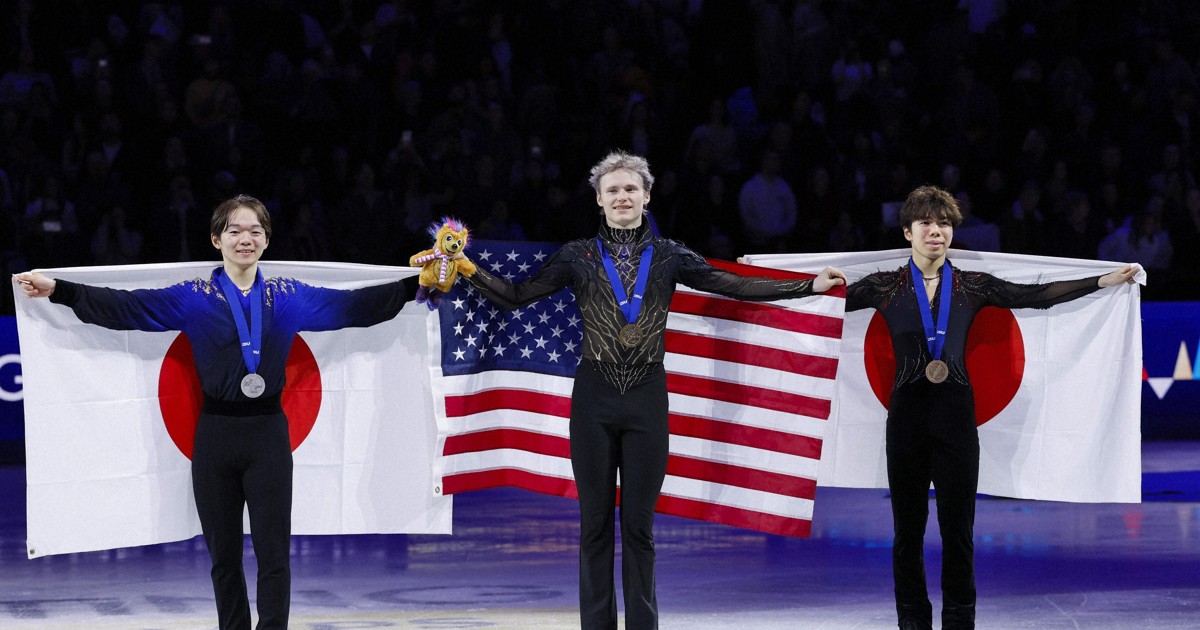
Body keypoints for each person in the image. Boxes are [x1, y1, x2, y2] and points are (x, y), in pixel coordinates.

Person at [451, 150, 845, 630]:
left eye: (630, 189)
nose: (622, 197)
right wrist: (466, 268)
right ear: (599, 200)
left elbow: (731, 285)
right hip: (593, 399)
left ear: (647, 196)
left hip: (646, 398)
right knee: (595, 529)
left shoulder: (670, 255)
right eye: (613, 190)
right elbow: (516, 296)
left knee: (640, 530)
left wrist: (808, 286)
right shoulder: (577, 256)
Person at [14, 194, 421, 630]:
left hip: (267, 437)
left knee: (273, 556)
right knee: (223, 559)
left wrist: (417, 285)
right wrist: (61, 290)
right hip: (214, 439)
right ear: (216, 239)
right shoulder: (194, 298)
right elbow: (127, 307)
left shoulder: (288, 297)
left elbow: (354, 307)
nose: (245, 239)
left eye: (255, 231)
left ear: (267, 241)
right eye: (235, 231)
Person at [844, 185, 1136, 630]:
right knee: (907, 535)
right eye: (925, 223)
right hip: (906, 424)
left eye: (944, 223)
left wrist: (1101, 281)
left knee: (959, 535)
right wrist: (772, 286)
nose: (935, 231)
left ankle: (960, 621)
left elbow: (1036, 294)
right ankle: (913, 622)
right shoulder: (884, 286)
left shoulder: (971, 285)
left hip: (956, 424)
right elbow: (819, 302)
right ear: (907, 232)